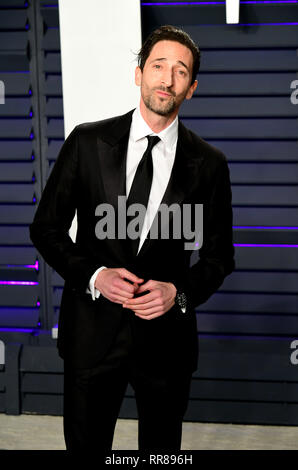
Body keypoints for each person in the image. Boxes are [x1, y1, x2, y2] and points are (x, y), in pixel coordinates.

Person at [30, 25, 235, 452]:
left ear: (191, 88)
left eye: (180, 71)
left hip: (166, 344)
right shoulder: (87, 142)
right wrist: (95, 275)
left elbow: (219, 259)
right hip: (90, 335)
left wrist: (177, 293)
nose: (167, 79)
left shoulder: (210, 164)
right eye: (158, 66)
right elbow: (45, 228)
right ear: (138, 73)